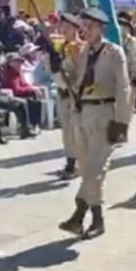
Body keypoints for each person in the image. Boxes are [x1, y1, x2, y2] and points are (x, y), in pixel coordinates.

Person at [57, 9, 131, 239]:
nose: (85, 30)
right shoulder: (81, 52)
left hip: (104, 112)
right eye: (84, 26)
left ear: (101, 28)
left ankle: (95, 219)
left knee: (95, 169)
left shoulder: (114, 53)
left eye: (90, 26)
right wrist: (55, 64)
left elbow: (124, 87)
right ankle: (79, 216)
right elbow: (65, 79)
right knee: (87, 168)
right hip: (82, 113)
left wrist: (122, 122)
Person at [52, 13, 84, 179]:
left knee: (76, 132)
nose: (62, 29)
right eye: (61, 26)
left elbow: (80, 72)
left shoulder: (79, 47)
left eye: (66, 27)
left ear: (75, 28)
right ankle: (71, 163)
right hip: (63, 93)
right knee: (67, 133)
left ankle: (77, 165)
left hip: (75, 94)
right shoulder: (62, 46)